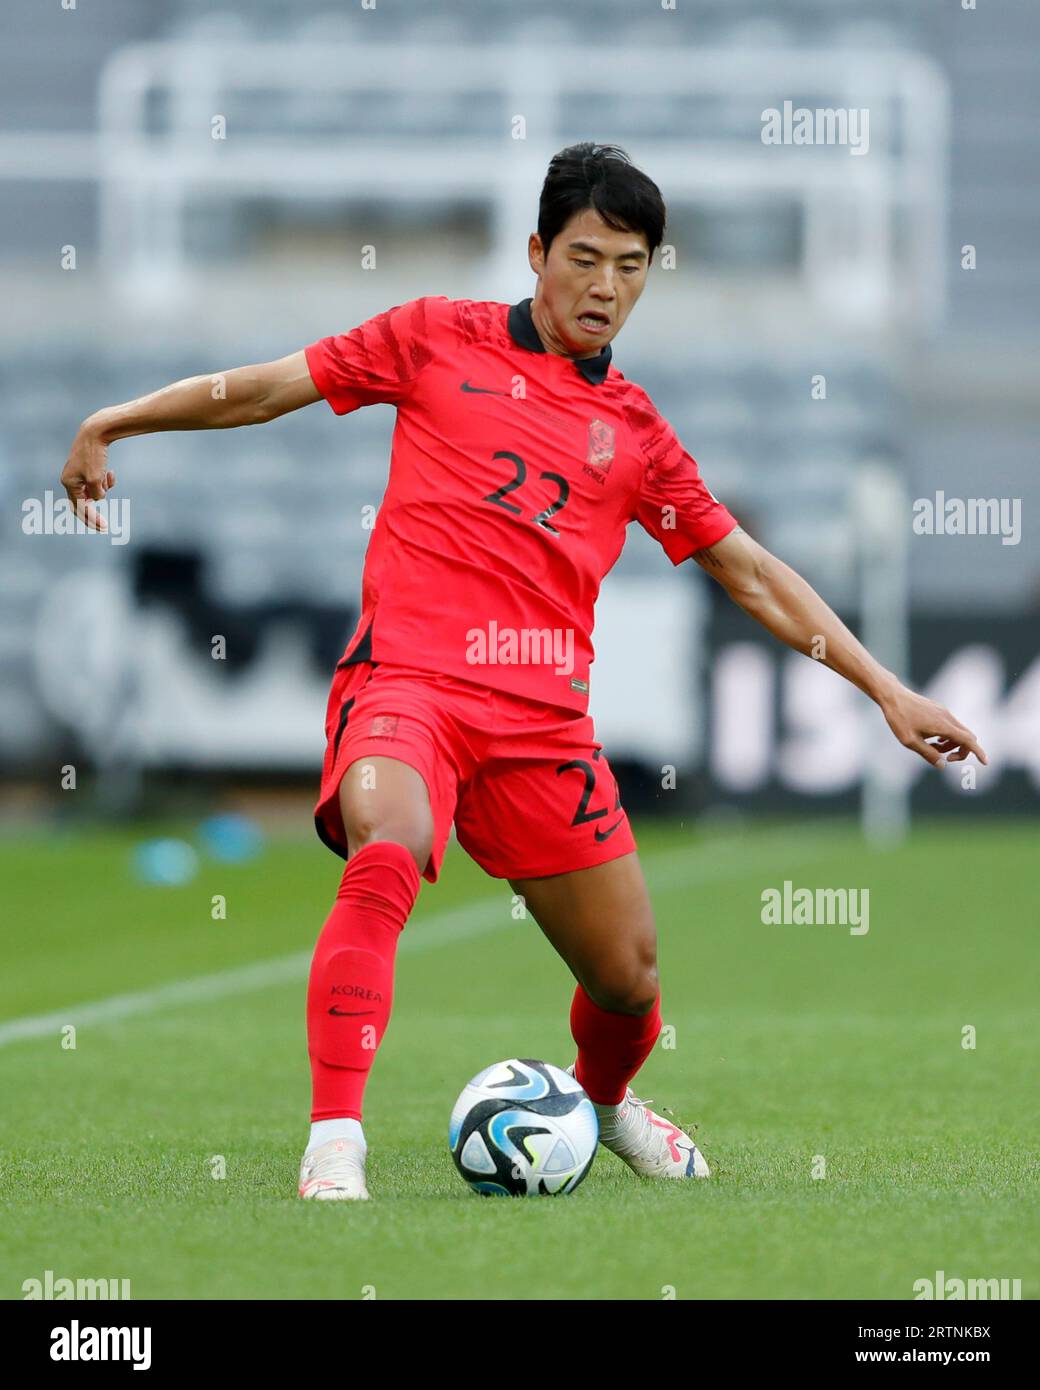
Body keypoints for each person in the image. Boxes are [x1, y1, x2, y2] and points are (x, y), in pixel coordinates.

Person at [60, 143, 986, 1201]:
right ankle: (334, 1142)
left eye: (631, 266)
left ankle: (600, 1106)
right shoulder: (427, 339)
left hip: (542, 726)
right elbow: (263, 391)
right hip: (405, 685)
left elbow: (748, 571)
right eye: (585, 257)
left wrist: (885, 690)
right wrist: (115, 419)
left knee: (629, 982)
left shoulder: (634, 433)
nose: (604, 286)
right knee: (388, 849)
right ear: (537, 250)